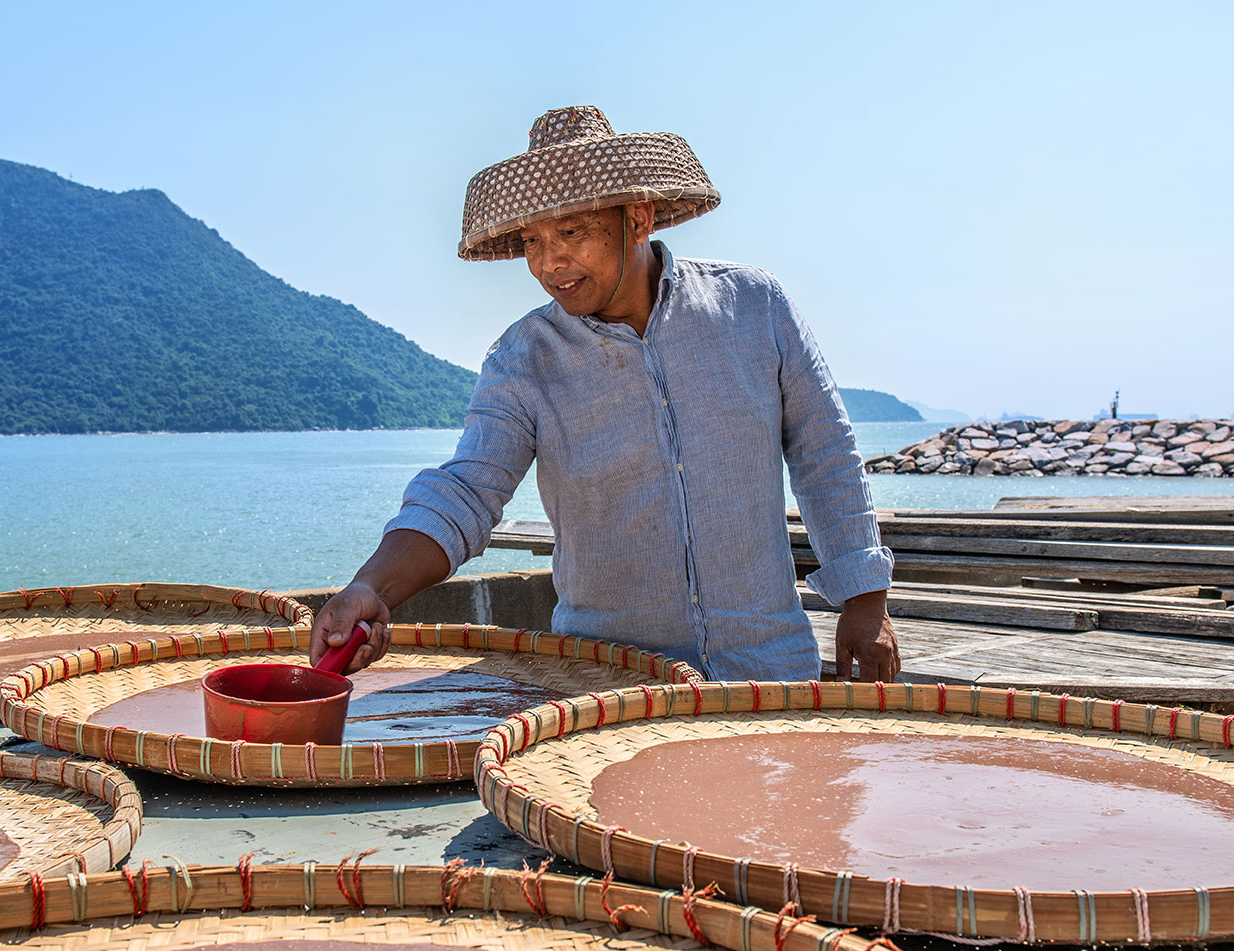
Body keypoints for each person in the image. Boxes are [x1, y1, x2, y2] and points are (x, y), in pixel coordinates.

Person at [311, 106, 898, 683]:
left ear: (637, 219)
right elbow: (466, 490)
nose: (549, 263)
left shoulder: (754, 306)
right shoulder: (523, 359)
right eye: (532, 241)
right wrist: (371, 586)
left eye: (571, 231)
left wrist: (865, 600)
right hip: (609, 686)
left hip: (769, 674)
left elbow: (825, 453)